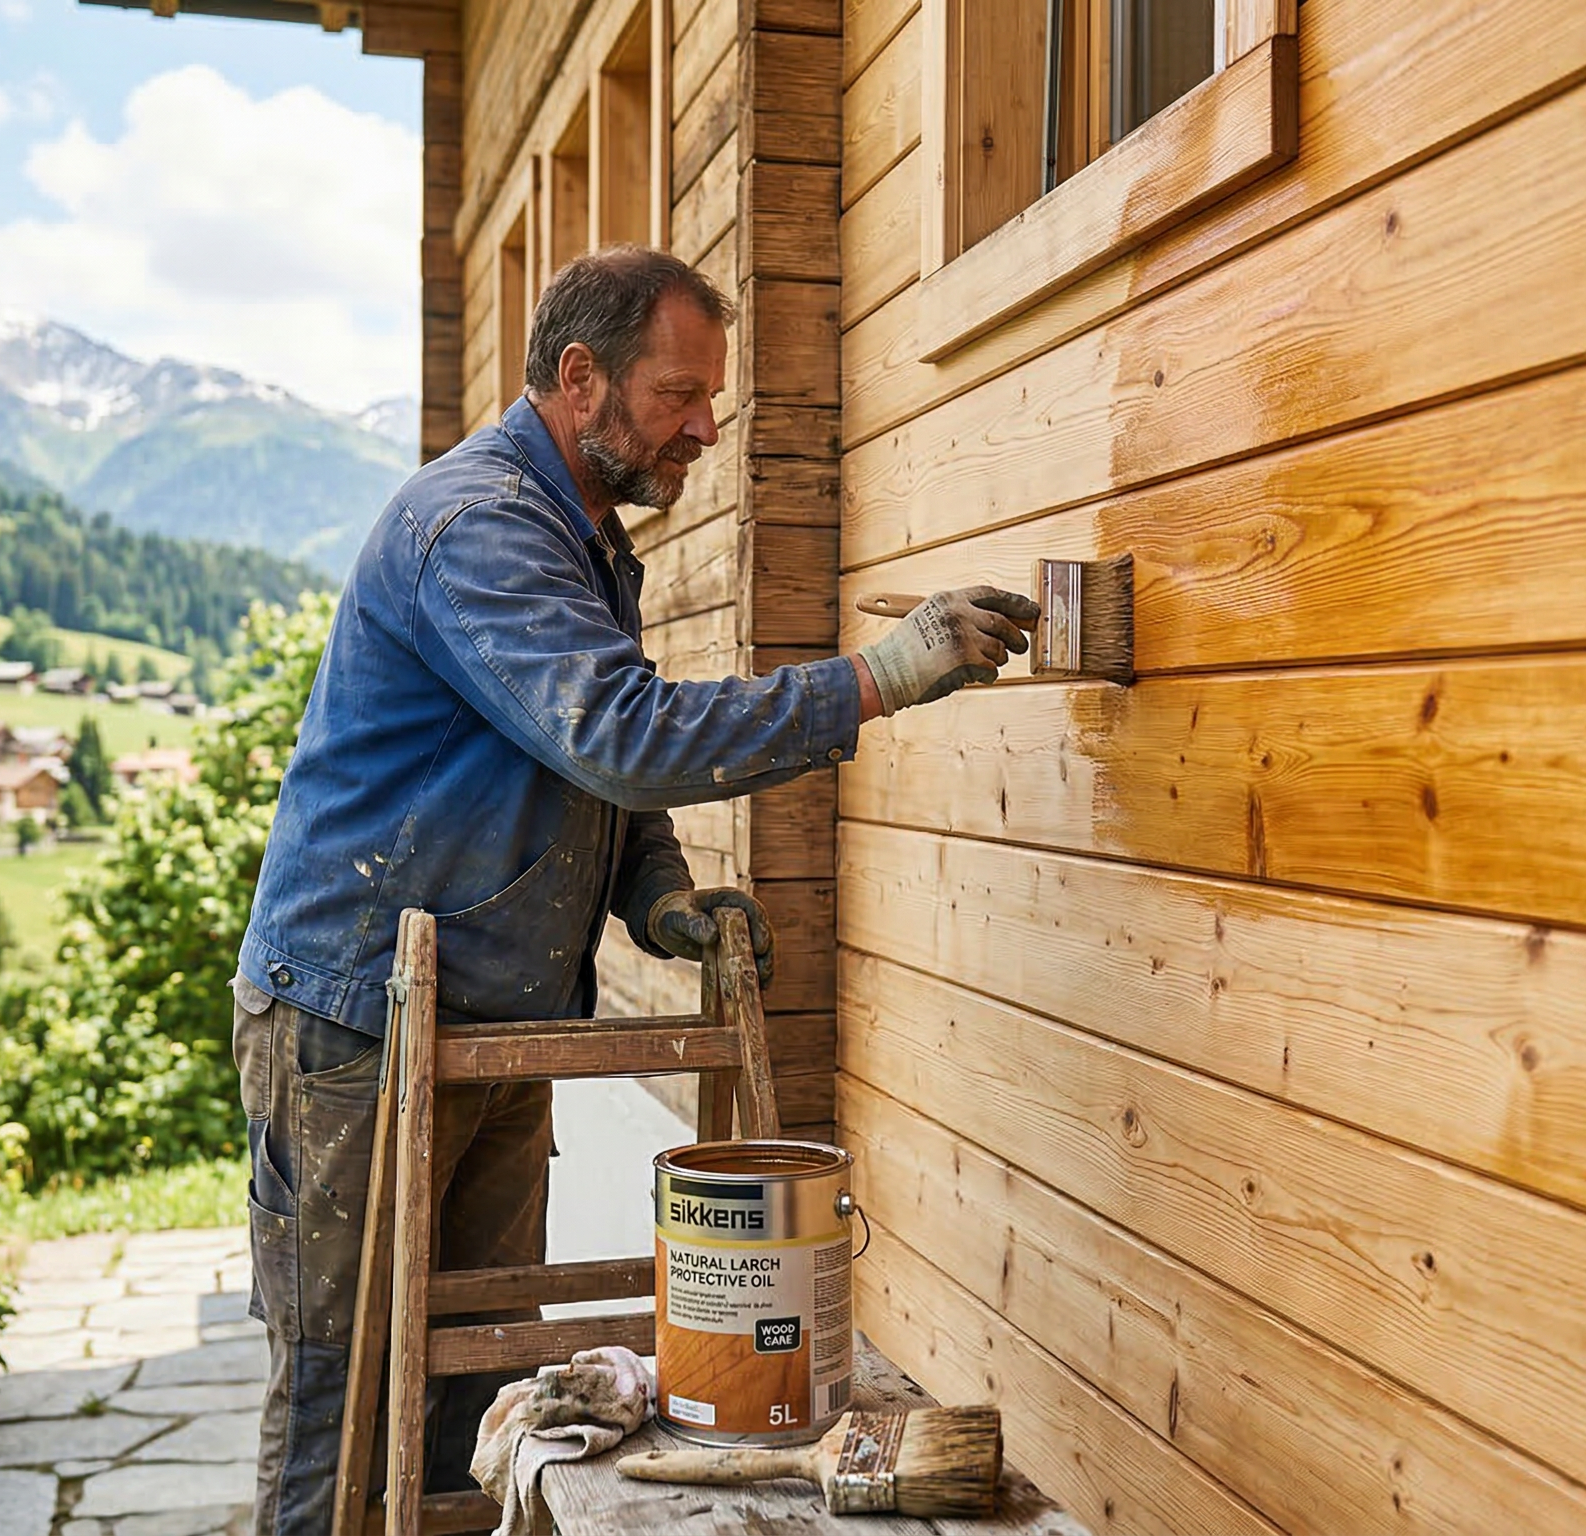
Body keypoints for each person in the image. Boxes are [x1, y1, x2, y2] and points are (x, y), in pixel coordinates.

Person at [232, 243, 1036, 1534]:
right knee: (347, 1399)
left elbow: (589, 767)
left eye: (710, 397)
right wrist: (876, 678)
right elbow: (618, 734)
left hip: (493, 1019)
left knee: (485, 1382)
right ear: (579, 378)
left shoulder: (584, 538)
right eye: (680, 394)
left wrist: (657, 894)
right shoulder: (479, 527)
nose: (707, 427)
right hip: (358, 1023)